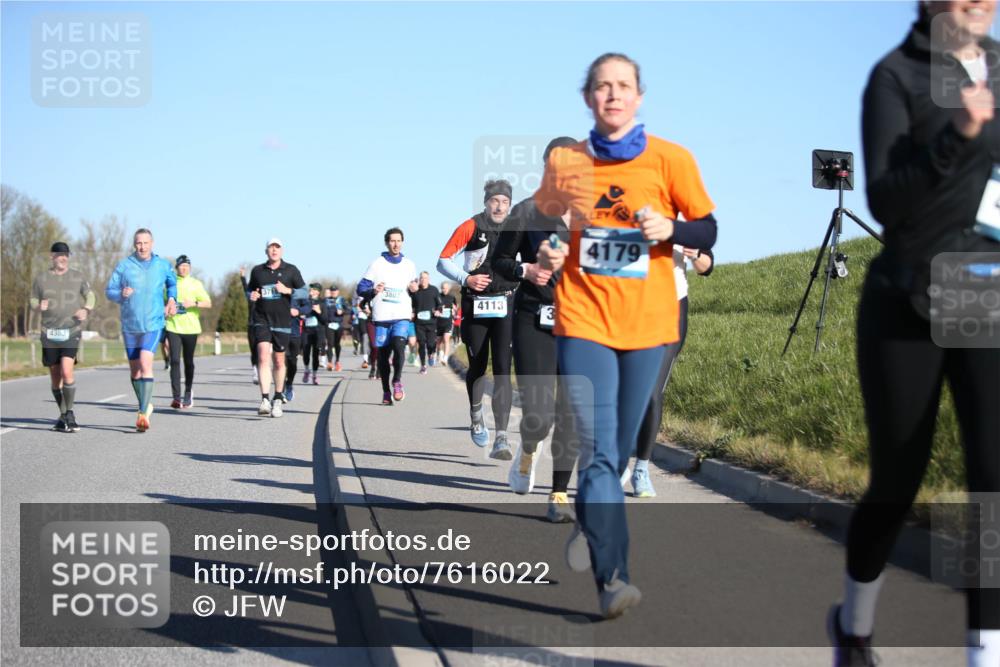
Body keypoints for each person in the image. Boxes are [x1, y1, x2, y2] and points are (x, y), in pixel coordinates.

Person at [830, 4, 999, 666]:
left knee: (993, 479)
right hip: (908, 295)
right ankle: (855, 626)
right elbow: (884, 199)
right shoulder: (896, 75)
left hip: (984, 286)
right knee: (897, 480)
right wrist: (958, 132)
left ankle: (985, 651)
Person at [535, 53, 718, 618]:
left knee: (614, 455)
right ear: (588, 98)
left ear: (639, 97)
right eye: (601, 86)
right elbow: (549, 225)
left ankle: (592, 524)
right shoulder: (566, 164)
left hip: (649, 323)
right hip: (584, 319)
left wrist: (674, 228)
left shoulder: (672, 159)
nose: (612, 95)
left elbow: (708, 226)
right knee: (596, 451)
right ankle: (614, 578)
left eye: (623, 86)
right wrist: (551, 248)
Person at [493, 136, 581, 522]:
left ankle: (559, 493)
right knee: (540, 414)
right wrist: (525, 269)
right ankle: (529, 450)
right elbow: (500, 261)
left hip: (582, 322)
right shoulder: (527, 211)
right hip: (534, 317)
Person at [621, 244, 714, 497]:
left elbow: (707, 266)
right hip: (630, 307)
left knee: (652, 393)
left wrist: (693, 253)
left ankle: (641, 468)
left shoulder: (685, 221)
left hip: (671, 309)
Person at [438, 180, 519, 460]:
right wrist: (467, 278)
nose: (499, 206)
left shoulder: (516, 228)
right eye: (495, 201)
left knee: (502, 369)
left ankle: (502, 437)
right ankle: (475, 415)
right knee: (477, 365)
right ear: (486, 202)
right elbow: (443, 260)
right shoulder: (470, 226)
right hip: (476, 305)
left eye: (505, 202)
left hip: (506, 303)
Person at [106, 228, 179, 432]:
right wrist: (121, 293)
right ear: (134, 244)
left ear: (152, 243)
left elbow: (172, 283)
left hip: (153, 323)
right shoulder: (125, 266)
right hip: (130, 325)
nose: (142, 246)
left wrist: (172, 299)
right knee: (135, 370)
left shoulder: (162, 264)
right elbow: (109, 291)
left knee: (146, 363)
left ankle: (142, 412)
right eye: (139, 243)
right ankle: (145, 404)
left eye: (146, 243)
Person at [31, 241, 96, 433]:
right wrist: (37, 305)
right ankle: (63, 414)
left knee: (67, 372)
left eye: (66, 255)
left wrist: (86, 309)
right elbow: (32, 299)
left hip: (71, 331)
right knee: (55, 377)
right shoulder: (41, 279)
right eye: (59, 255)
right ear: (52, 256)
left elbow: (90, 295)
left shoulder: (77, 277)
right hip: (49, 333)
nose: (63, 258)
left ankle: (70, 414)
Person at [357, 227, 418, 404]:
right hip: (382, 316)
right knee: (383, 355)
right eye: (392, 240)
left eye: (399, 240)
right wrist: (372, 290)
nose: (396, 244)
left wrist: (414, 290)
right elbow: (360, 288)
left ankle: (397, 381)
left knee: (399, 348)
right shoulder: (377, 264)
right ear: (386, 242)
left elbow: (413, 288)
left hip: (401, 315)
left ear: (403, 242)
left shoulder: (409, 265)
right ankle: (385, 391)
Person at [247, 238, 306, 417]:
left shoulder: (291, 270)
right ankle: (265, 399)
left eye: (277, 247)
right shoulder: (258, 271)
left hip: (282, 321)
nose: (274, 250)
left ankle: (278, 397)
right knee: (263, 356)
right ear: (266, 251)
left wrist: (288, 290)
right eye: (271, 247)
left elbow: (304, 291)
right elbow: (250, 290)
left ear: (282, 251)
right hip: (262, 318)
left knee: (279, 361)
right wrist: (253, 295)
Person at [164, 255, 212, 409]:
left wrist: (194, 303)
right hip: (173, 326)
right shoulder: (170, 284)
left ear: (190, 268)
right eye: (181, 266)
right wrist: (166, 310)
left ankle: (188, 392)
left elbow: (208, 303)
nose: (184, 268)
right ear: (176, 267)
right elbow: (163, 302)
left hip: (191, 328)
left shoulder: (195, 284)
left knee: (188, 361)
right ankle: (176, 397)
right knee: (175, 361)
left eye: (186, 266)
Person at [411, 271, 442, 374]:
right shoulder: (416, 291)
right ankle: (423, 365)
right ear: (419, 279)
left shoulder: (434, 290)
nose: (423, 280)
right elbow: (412, 305)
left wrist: (438, 311)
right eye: (421, 278)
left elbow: (440, 304)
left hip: (431, 322)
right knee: (421, 343)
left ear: (428, 279)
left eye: (425, 278)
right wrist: (412, 313)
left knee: (430, 344)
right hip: (419, 323)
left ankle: (431, 354)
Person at [283, 286, 311, 402]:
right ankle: (280, 390)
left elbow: (308, 307)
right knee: (279, 361)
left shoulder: (297, 293)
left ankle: (289, 384)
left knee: (292, 362)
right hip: (278, 331)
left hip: (294, 333)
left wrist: (298, 311)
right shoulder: (275, 292)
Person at [301, 282, 329, 385]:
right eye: (310, 289)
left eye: (312, 289)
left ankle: (314, 375)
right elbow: (300, 312)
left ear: (317, 291)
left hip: (318, 332)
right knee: (306, 352)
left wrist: (319, 312)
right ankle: (306, 370)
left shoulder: (322, 303)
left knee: (315, 354)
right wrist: (302, 315)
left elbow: (325, 319)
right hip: (306, 331)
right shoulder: (305, 301)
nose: (310, 291)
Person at [239, 266, 259, 384]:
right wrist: (242, 277)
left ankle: (263, 370)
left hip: (263, 325)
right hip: (251, 325)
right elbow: (245, 288)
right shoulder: (249, 295)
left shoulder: (265, 295)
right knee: (253, 350)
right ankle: (255, 371)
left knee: (262, 350)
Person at [324, 285, 347, 371]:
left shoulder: (341, 300)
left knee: (337, 344)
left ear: (338, 291)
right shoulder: (326, 300)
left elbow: (348, 309)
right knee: (330, 343)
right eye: (332, 291)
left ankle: (337, 361)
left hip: (338, 324)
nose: (333, 292)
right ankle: (329, 362)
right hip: (329, 324)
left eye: (335, 291)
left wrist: (342, 311)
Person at [435, 281, 458, 364]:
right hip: (438, 322)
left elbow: (455, 308)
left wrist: (454, 312)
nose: (444, 289)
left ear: (449, 288)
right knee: (438, 342)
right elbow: (433, 308)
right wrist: (436, 311)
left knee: (446, 338)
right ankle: (440, 354)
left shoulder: (452, 297)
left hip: (448, 322)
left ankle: (445, 357)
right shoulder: (438, 297)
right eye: (443, 288)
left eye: (446, 288)